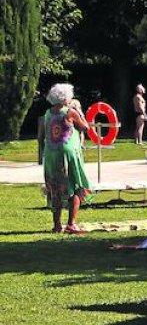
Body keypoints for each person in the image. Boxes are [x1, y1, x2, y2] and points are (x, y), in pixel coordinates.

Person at [36, 83, 94, 234]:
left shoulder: (47, 113)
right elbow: (85, 128)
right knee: (75, 185)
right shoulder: (70, 112)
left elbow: (40, 137)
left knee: (55, 188)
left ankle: (56, 225)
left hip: (51, 154)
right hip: (68, 152)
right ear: (66, 98)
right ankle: (71, 224)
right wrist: (79, 112)